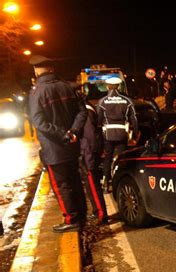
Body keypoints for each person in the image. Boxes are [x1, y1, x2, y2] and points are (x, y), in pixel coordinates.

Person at [28, 55, 88, 233]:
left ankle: (71, 219)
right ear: (52, 69)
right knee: (75, 181)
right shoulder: (67, 87)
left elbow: (39, 122)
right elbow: (82, 112)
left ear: (37, 71)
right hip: (72, 145)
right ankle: (82, 216)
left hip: (54, 149)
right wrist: (74, 132)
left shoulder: (36, 92)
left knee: (61, 185)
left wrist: (63, 135)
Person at [97, 77, 139, 193]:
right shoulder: (127, 100)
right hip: (122, 134)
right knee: (121, 159)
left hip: (108, 135)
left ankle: (105, 183)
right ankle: (120, 182)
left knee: (108, 158)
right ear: (119, 86)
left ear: (107, 87)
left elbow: (98, 120)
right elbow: (134, 118)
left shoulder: (102, 101)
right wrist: (135, 133)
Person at [79, 94, 108, 224]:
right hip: (88, 152)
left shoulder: (85, 112)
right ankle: (97, 211)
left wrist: (88, 156)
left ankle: (101, 214)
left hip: (88, 153)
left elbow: (90, 136)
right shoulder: (88, 108)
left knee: (92, 183)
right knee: (91, 183)